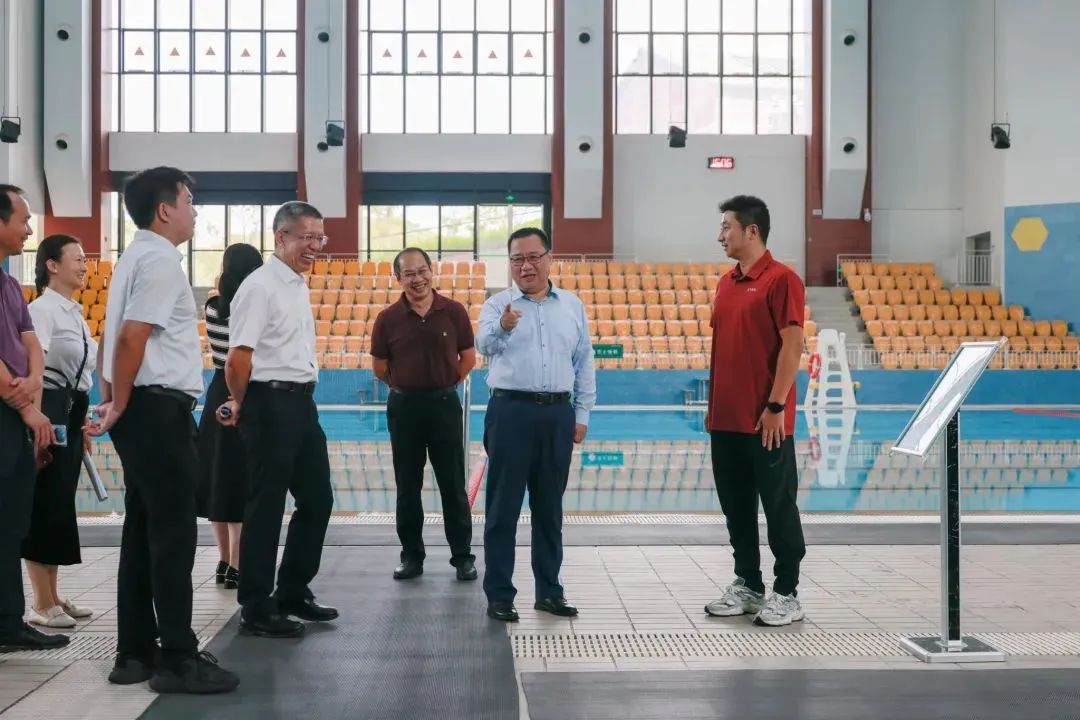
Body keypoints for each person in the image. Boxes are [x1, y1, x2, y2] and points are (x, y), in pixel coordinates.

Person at [88, 167, 238, 693]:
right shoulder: (159, 262)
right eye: (189, 200)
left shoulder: (133, 258)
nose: (195, 211)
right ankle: (178, 658)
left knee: (142, 530)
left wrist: (112, 399)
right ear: (165, 209)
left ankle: (134, 653)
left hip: (141, 407)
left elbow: (111, 340)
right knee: (173, 533)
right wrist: (121, 403)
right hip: (156, 409)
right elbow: (131, 338)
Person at [218, 201, 336, 639]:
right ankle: (255, 605)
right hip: (269, 403)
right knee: (266, 506)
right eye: (307, 237)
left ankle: (292, 590)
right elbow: (238, 358)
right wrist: (244, 403)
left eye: (320, 237)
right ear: (281, 236)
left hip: (302, 403)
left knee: (318, 499)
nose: (315, 245)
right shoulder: (260, 286)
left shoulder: (296, 285)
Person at [475, 227, 595, 622]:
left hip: (557, 415)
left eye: (533, 257)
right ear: (510, 264)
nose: (525, 265)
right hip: (510, 412)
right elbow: (483, 345)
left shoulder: (572, 306)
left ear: (549, 258)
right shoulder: (497, 305)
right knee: (502, 509)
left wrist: (581, 414)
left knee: (549, 509)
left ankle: (549, 592)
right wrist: (504, 326)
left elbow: (584, 362)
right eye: (517, 259)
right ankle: (499, 595)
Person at [703, 195, 807, 627]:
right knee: (737, 509)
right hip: (725, 421)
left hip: (766, 422)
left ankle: (787, 592)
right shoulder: (726, 283)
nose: (720, 235)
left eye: (726, 226)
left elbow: (793, 345)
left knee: (778, 507)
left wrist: (776, 405)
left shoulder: (782, 279)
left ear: (752, 230)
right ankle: (748, 584)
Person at [371, 247, 478, 582]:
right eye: (409, 274)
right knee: (408, 486)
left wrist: (445, 384)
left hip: (444, 405)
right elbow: (379, 368)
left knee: (453, 485)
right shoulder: (387, 319)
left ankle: (463, 557)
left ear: (432, 271)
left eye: (422, 271)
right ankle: (411, 557)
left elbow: (468, 358)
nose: (417, 279)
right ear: (398, 278)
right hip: (404, 408)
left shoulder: (454, 311)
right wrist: (406, 386)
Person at [0, 184, 66, 652]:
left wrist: (33, 383)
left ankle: (9, 622)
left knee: (12, 523)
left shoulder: (9, 284)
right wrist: (24, 404)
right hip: (7, 408)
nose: (29, 229)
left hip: (15, 409)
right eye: (23, 219)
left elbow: (30, 342)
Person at [23, 235, 97, 629]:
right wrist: (37, 421)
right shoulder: (41, 311)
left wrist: (79, 423)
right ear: (52, 265)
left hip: (71, 407)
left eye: (85, 259)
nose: (84, 265)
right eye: (78, 258)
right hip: (49, 405)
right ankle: (39, 601)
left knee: (60, 503)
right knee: (45, 501)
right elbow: (36, 371)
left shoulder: (74, 313)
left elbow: (81, 375)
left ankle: (53, 595)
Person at [196, 244, 264, 591]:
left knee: (217, 479)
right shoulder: (252, 309)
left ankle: (223, 561)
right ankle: (238, 562)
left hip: (216, 391)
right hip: (243, 391)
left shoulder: (212, 307)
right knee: (241, 481)